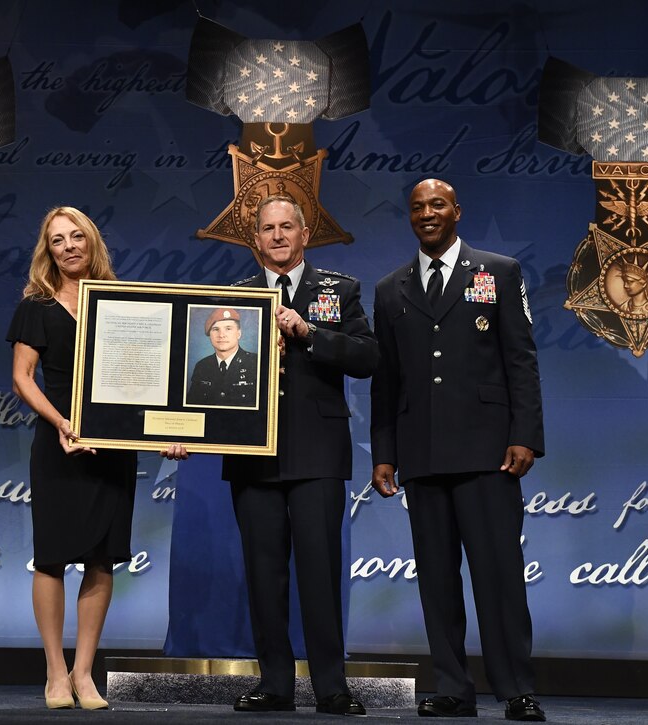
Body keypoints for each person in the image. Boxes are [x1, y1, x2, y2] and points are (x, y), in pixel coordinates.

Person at [369, 178, 546, 722]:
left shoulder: (499, 272)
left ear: (457, 212)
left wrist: (525, 435)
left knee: (499, 575)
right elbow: (386, 381)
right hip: (421, 455)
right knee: (437, 579)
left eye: (437, 204)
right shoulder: (390, 289)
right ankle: (451, 685)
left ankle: (515, 687)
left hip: (489, 451)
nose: (427, 213)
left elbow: (521, 359)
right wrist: (384, 453)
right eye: (418, 207)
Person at [225, 195, 378, 716]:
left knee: (320, 573)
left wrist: (309, 333)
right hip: (254, 457)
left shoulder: (340, 290)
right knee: (264, 574)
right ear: (256, 238)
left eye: (286, 226)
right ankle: (275, 685)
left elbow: (367, 356)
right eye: (267, 228)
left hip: (317, 454)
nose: (277, 236)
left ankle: (332, 686)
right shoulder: (233, 299)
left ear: (305, 233)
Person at [6, 206, 139, 710]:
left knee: (101, 558)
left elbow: (144, 377)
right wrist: (63, 422)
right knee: (52, 558)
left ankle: (85, 673)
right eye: (57, 239)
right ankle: (55, 673)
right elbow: (22, 379)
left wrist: (166, 429)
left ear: (92, 241)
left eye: (76, 236)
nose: (68, 246)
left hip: (112, 449)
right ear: (49, 250)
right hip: (59, 445)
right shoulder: (35, 307)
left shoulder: (125, 302)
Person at [187, 307, 258, 407]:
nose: (221, 335)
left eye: (228, 329)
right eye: (215, 329)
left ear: (239, 333)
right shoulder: (202, 366)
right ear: (210, 335)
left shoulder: (256, 363)